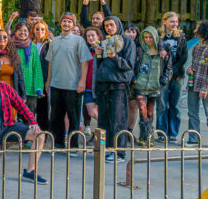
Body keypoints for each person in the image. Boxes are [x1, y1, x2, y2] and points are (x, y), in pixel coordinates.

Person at [46, 12, 92, 150]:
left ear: (73, 24)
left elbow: (85, 62)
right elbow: (51, 62)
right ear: (60, 23)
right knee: (56, 116)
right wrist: (48, 81)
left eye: (69, 22)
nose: (66, 24)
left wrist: (82, 81)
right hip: (56, 85)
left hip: (73, 86)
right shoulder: (54, 41)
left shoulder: (79, 41)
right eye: (64, 21)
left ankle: (73, 146)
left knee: (73, 116)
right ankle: (58, 143)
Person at [95, 16, 137, 161]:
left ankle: (119, 152)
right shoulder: (105, 41)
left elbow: (129, 65)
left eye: (111, 25)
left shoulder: (127, 42)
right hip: (103, 83)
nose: (109, 28)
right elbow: (100, 65)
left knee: (118, 119)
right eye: (106, 26)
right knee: (103, 119)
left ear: (118, 25)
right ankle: (105, 148)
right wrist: (99, 56)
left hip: (118, 85)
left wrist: (114, 56)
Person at [132, 26, 172, 146]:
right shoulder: (139, 50)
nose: (148, 39)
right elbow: (132, 64)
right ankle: (147, 136)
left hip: (155, 86)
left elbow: (169, 68)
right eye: (145, 37)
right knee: (142, 110)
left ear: (155, 38)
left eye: (150, 37)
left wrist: (163, 82)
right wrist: (133, 78)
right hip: (140, 85)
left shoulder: (164, 51)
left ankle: (146, 137)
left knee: (150, 112)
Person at [157, 11, 187, 144]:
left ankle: (173, 133)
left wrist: (174, 70)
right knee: (162, 105)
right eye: (172, 21)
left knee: (175, 105)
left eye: (176, 21)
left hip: (177, 76)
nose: (174, 24)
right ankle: (161, 133)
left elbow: (184, 56)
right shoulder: (159, 36)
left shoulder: (181, 37)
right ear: (164, 21)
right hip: (162, 75)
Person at [11, 22, 44, 117]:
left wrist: (38, 88)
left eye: (25, 30)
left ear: (29, 32)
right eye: (20, 30)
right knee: (15, 118)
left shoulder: (32, 47)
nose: (22, 33)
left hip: (30, 89)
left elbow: (36, 68)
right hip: (15, 88)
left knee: (29, 117)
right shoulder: (11, 46)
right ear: (15, 32)